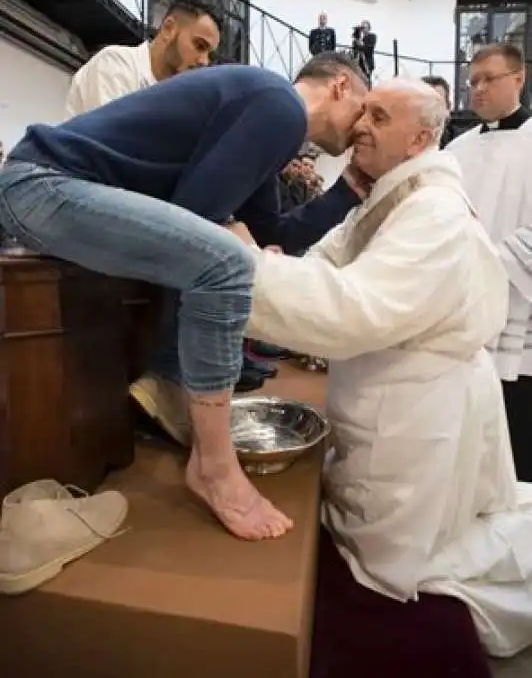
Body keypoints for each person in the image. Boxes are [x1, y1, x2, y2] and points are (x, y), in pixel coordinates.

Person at [226, 78, 532, 674]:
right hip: (390, 389)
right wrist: (272, 266)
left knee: (394, 561)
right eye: (363, 110)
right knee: (373, 528)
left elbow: (354, 309)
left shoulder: (434, 213)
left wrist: (243, 269)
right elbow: (326, 260)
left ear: (419, 138)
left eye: (379, 116)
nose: (360, 124)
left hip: (416, 407)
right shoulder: (392, 196)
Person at [0, 54, 367, 542]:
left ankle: (171, 385)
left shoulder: (271, 115)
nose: (366, 130)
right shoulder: (280, 106)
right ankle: (214, 467)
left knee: (226, 255)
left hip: (48, 189)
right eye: (370, 110)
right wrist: (231, 231)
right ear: (341, 86)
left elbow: (273, 229)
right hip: (41, 186)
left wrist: (349, 189)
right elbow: (197, 212)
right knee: (226, 263)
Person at [447, 43, 532, 481]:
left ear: (519, 78)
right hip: (464, 306)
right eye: (472, 82)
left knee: (517, 436)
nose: (477, 90)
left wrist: (489, 261)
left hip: (518, 306)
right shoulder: (457, 149)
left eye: (488, 79)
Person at [65, 0, 221, 117]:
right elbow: (111, 145)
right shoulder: (115, 63)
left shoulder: (180, 100)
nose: (204, 61)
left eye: (210, 55)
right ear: (169, 29)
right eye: (199, 46)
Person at [421, 74, 460, 147]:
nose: (431, 109)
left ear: (448, 108)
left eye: (437, 103)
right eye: (426, 103)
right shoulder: (400, 145)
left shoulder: (461, 143)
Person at [352, 20, 376, 84]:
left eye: (364, 27)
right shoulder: (358, 38)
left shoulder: (372, 36)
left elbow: (368, 48)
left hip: (367, 63)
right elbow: (354, 48)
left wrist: (360, 44)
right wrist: (357, 39)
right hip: (358, 63)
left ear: (368, 28)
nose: (362, 29)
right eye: (361, 27)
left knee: (366, 81)